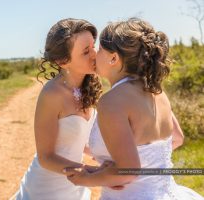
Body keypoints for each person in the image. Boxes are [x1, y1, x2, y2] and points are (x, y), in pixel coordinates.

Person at [64, 18, 203, 200]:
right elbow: (176, 139)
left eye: (99, 49)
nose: (94, 54)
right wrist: (108, 171)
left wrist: (85, 179)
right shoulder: (158, 93)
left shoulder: (112, 101)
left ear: (113, 58)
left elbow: (129, 171)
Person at [15, 18, 103, 200]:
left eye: (93, 46)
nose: (94, 54)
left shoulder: (88, 86)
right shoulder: (52, 94)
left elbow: (75, 140)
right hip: (46, 189)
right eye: (86, 52)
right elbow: (46, 157)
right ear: (63, 61)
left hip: (73, 185)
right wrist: (88, 172)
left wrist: (100, 154)